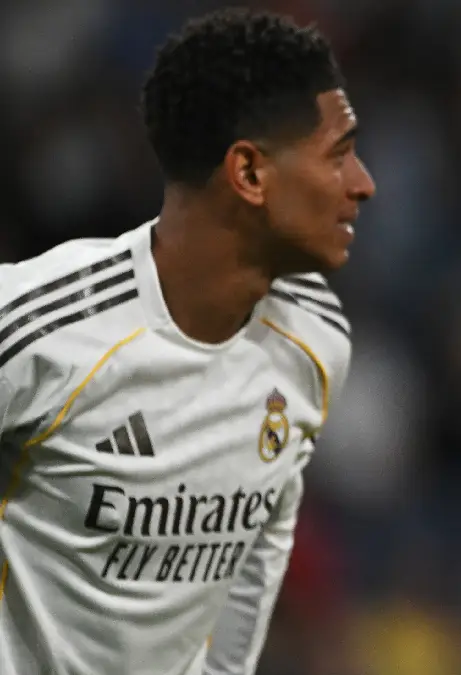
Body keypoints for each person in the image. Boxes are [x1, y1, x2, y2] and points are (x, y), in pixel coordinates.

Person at [0, 8, 374, 674]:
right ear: (250, 174)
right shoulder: (39, 327)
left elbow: (258, 549)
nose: (362, 184)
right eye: (338, 155)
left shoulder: (316, 341)